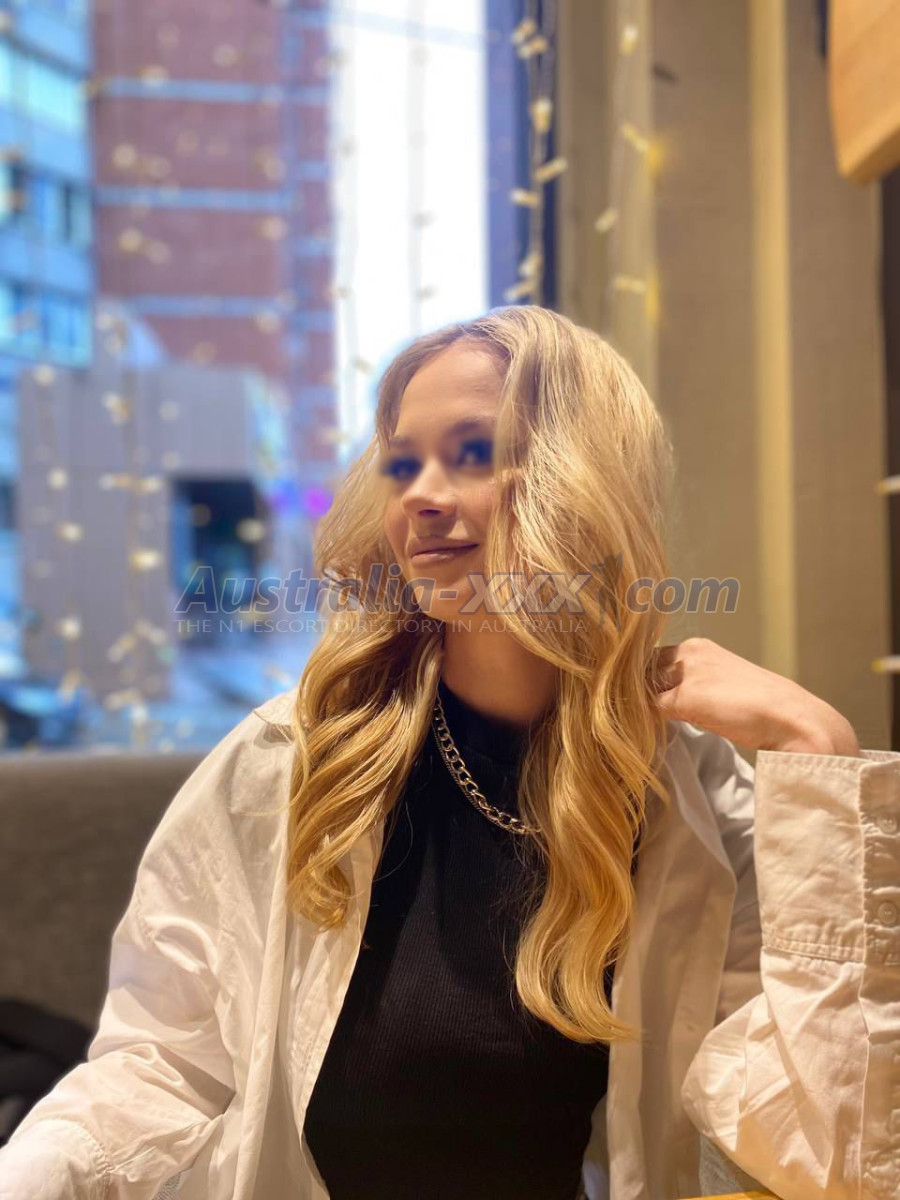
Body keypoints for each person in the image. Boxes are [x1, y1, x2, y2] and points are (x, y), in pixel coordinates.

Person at [0, 305, 896, 1200]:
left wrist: (817, 752)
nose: (420, 496)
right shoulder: (294, 762)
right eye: (402, 463)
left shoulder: (690, 798)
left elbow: (828, 1156)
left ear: (580, 479)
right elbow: (162, 1068)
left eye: (471, 453)